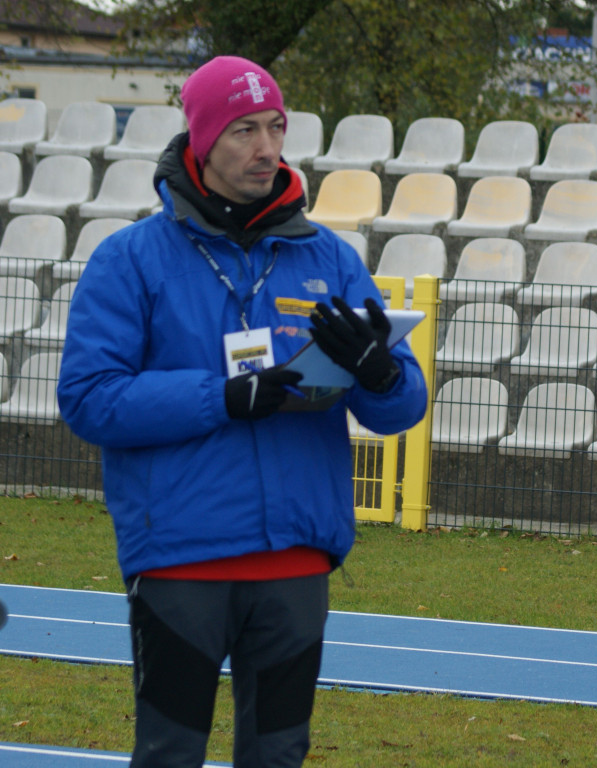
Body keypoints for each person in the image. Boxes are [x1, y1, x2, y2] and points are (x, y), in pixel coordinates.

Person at [57, 56, 427, 767]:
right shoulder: (129, 259)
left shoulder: (333, 258)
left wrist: (380, 372)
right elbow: (89, 397)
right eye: (244, 130)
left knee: (279, 755)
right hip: (182, 556)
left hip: (295, 560)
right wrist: (220, 397)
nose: (266, 148)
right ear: (200, 141)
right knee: (170, 753)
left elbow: (398, 406)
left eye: (276, 127)